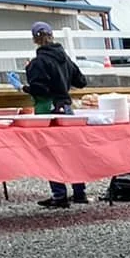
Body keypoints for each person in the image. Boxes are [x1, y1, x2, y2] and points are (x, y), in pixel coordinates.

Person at [24, 21, 88, 208]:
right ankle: (79, 192)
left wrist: (25, 85)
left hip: (48, 110)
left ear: (34, 39)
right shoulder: (64, 57)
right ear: (52, 36)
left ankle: (59, 195)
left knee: (51, 153)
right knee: (72, 151)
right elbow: (81, 81)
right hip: (66, 108)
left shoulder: (39, 62)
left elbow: (40, 88)